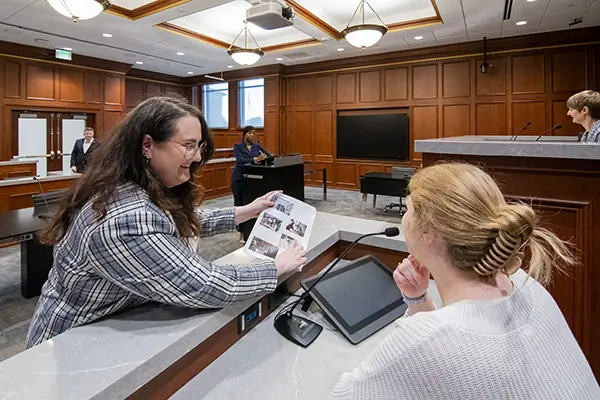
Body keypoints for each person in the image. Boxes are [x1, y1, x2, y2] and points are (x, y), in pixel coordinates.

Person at [26, 97, 306, 347]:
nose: (196, 157)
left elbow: (177, 221)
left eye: (198, 147)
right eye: (188, 146)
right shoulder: (127, 219)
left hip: (106, 330)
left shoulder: (130, 185)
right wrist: (276, 267)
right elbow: (202, 285)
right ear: (148, 145)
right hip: (70, 348)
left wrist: (247, 211)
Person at [330, 162, 599, 400]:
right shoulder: (527, 285)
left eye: (408, 209)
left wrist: (418, 319)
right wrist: (418, 301)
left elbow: (343, 394)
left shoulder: (421, 341)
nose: (403, 217)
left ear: (427, 233)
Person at [231, 125, 272, 242]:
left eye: (254, 133)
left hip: (252, 180)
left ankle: (253, 231)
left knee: (251, 205)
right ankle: (242, 233)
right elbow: (240, 160)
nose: (252, 135)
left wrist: (263, 158)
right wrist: (256, 159)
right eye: (250, 133)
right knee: (240, 206)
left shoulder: (256, 146)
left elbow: (269, 155)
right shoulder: (238, 147)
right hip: (239, 179)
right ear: (244, 135)